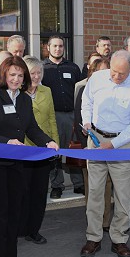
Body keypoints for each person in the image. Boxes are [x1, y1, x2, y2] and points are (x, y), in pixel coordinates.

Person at [0, 56, 59, 257]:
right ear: (3, 75)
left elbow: (31, 128)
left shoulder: (23, 99)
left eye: (20, 75)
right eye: (12, 74)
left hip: (15, 166)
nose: (16, 79)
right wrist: (7, 142)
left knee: (13, 217)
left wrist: (48, 142)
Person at [80, 50, 130, 257]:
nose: (116, 77)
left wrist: (114, 143)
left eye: (122, 74)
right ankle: (93, 237)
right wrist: (87, 120)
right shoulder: (98, 77)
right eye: (114, 72)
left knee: (123, 194)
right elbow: (86, 101)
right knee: (95, 192)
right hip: (96, 140)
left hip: (124, 143)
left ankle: (119, 239)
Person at [19, 55, 60, 245]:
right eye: (32, 73)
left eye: (39, 72)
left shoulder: (47, 91)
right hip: (22, 150)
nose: (36, 76)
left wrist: (55, 144)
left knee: (39, 192)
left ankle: (34, 230)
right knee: (22, 191)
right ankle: (20, 227)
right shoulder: (17, 94)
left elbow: (52, 119)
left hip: (44, 149)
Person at [42, 35, 84, 199]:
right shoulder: (43, 68)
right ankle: (56, 185)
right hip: (53, 117)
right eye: (55, 46)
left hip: (72, 115)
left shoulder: (73, 67)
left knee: (74, 150)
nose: (58, 49)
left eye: (60, 46)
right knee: (55, 151)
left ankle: (78, 184)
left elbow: (80, 91)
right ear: (48, 48)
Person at [74, 58, 112, 233]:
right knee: (93, 188)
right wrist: (84, 146)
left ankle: (106, 221)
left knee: (108, 186)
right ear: (92, 73)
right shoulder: (84, 90)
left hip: (111, 146)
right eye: (100, 72)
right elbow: (78, 119)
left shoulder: (114, 91)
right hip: (90, 146)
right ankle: (93, 222)